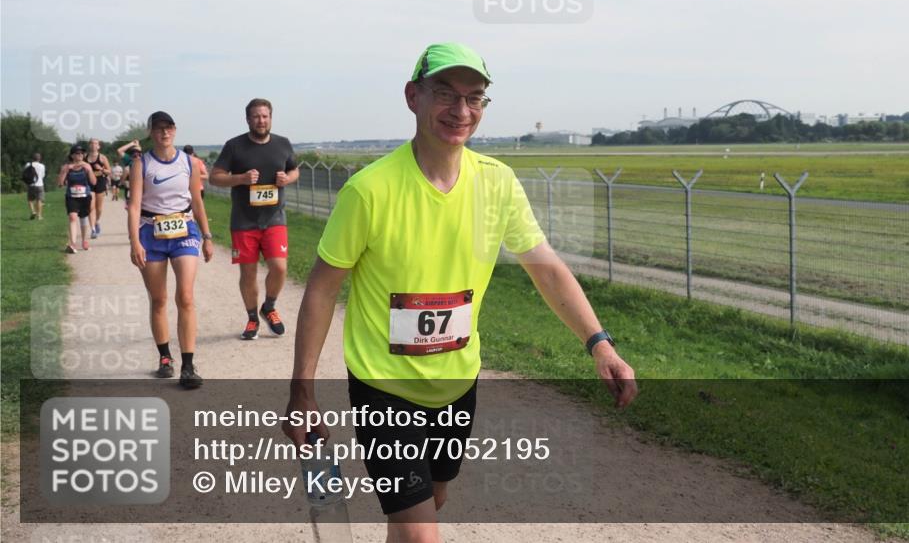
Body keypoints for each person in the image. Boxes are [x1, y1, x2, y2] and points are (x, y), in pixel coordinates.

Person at [283, 43, 637, 541]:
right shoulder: (369, 190)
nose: (461, 110)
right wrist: (302, 389)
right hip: (384, 387)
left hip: (457, 382)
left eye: (475, 98)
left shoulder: (497, 184)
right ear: (413, 97)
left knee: (432, 501)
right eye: (445, 94)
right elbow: (321, 290)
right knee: (421, 532)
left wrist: (600, 343)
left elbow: (547, 269)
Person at [127, 111, 213, 389]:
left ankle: (188, 365)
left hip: (184, 231)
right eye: (159, 128)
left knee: (186, 296)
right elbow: (134, 205)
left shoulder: (188, 162)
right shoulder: (141, 164)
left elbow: (197, 202)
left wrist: (208, 236)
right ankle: (165, 358)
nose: (165, 132)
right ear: (151, 132)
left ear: (175, 131)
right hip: (151, 233)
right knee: (159, 299)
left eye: (170, 127)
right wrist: (134, 242)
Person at [210, 99, 299, 341]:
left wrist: (287, 179)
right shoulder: (234, 146)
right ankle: (252, 318)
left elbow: (295, 170)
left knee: (279, 268)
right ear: (248, 119)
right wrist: (240, 179)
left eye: (265, 116)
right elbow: (215, 178)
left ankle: (268, 307)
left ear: (271, 118)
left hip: (274, 218)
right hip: (243, 221)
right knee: (248, 273)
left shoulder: (283, 144)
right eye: (256, 117)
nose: (261, 121)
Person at [57, 145, 96, 253]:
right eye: (77, 153)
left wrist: (89, 170)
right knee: (72, 217)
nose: (80, 155)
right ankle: (72, 244)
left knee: (83, 218)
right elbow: (60, 184)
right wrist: (64, 171)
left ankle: (84, 241)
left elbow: (93, 182)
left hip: (85, 196)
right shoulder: (66, 167)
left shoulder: (87, 166)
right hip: (71, 197)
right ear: (72, 155)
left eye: (82, 153)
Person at [86, 139, 112, 238]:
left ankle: (96, 222)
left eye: (95, 143)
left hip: (100, 182)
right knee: (90, 206)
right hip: (89, 183)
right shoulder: (85, 157)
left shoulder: (102, 158)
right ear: (89, 145)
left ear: (98, 146)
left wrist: (101, 169)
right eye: (91, 143)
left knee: (99, 208)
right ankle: (92, 229)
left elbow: (109, 171)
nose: (93, 145)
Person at [24, 152, 46, 220]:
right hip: (40, 184)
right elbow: (43, 175)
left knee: (30, 200)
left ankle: (33, 211)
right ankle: (39, 216)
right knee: (39, 200)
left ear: (32, 158)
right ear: (40, 159)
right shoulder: (42, 166)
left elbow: (25, 173)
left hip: (31, 184)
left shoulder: (28, 164)